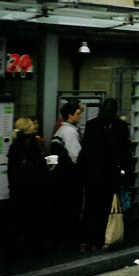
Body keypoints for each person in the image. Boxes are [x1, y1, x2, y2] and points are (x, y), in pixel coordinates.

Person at [79, 98, 131, 249]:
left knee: (91, 208)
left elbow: (85, 152)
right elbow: (124, 152)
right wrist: (124, 172)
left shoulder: (92, 125)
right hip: (111, 175)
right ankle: (105, 237)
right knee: (107, 209)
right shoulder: (121, 127)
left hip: (94, 175)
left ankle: (89, 239)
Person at [7, 117, 48, 256]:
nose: (35, 127)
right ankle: (34, 247)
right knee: (33, 219)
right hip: (33, 187)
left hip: (18, 188)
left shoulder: (14, 145)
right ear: (28, 129)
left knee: (20, 220)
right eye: (32, 125)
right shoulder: (32, 143)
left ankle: (18, 247)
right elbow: (40, 165)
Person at [50, 100, 83, 248]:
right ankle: (71, 237)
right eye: (78, 113)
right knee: (72, 207)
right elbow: (76, 156)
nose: (80, 115)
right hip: (71, 176)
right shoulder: (70, 132)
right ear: (70, 115)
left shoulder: (61, 130)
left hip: (61, 176)